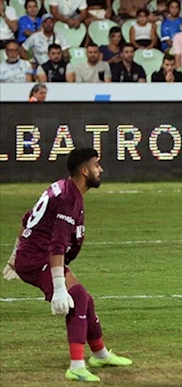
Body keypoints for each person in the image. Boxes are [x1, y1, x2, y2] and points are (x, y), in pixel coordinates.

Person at [2, 148, 133, 382]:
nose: (100, 169)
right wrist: (59, 287)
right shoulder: (68, 198)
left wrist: (14, 256)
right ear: (84, 171)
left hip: (33, 256)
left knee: (85, 299)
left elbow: (27, 218)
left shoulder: (62, 188)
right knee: (78, 297)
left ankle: (100, 354)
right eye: (96, 165)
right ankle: (76, 366)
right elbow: (57, 245)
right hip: (37, 260)